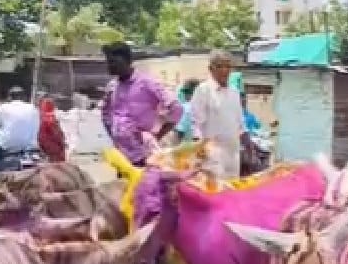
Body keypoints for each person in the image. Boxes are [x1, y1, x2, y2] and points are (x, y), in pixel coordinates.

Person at [101, 42, 183, 166]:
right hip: (122, 157)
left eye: (113, 62)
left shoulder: (148, 83)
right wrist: (115, 135)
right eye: (108, 62)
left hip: (144, 156)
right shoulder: (112, 87)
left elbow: (176, 109)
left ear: (127, 60)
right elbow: (106, 114)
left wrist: (158, 134)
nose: (109, 66)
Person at [190, 50, 247, 179]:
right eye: (220, 66)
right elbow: (196, 124)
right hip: (212, 155)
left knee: (232, 192)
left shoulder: (234, 92)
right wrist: (199, 149)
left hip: (233, 154)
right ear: (211, 69)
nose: (224, 70)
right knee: (214, 192)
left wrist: (248, 146)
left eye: (227, 66)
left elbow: (240, 123)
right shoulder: (203, 90)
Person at [0, 86, 40, 161]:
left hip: (7, 147)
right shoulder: (33, 108)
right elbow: (37, 127)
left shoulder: (3, 107)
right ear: (24, 97)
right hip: (30, 147)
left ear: (10, 97)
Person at [37, 97, 67, 163]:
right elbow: (59, 135)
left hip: (47, 151)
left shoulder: (42, 118)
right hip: (56, 151)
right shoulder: (52, 118)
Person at [174, 78, 201, 144]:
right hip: (201, 145)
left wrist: (176, 148)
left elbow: (179, 132)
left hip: (189, 145)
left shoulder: (186, 108)